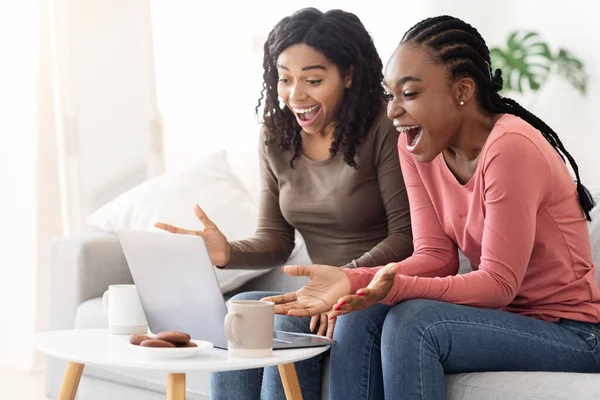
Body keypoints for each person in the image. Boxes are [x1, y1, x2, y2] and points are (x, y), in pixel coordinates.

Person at [265, 15, 600, 400]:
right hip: (501, 321)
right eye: (390, 95)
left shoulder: (512, 147)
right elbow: (436, 256)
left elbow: (498, 285)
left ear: (462, 90)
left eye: (409, 94)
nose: (392, 111)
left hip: (573, 332)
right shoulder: (417, 148)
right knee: (354, 313)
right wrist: (352, 281)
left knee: (414, 323)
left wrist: (388, 286)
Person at [155, 7, 414, 400]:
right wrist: (227, 253)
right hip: (320, 294)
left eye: (313, 79)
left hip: (382, 289)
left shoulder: (383, 127)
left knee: (335, 322)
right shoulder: (277, 137)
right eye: (285, 79)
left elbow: (406, 236)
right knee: (242, 307)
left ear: (348, 74)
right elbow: (276, 238)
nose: (296, 95)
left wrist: (343, 282)